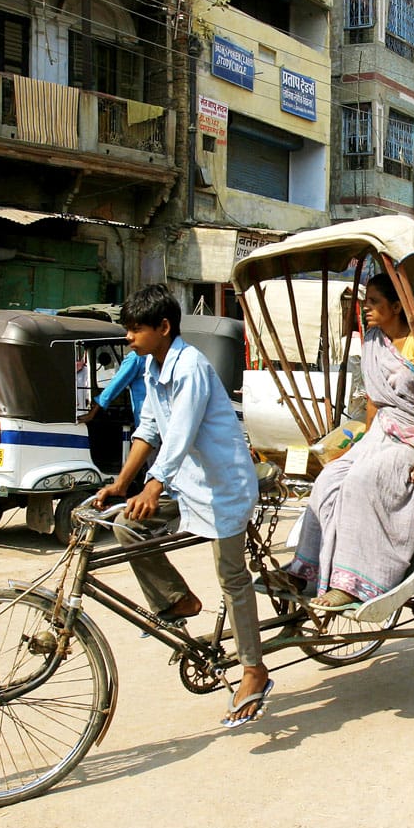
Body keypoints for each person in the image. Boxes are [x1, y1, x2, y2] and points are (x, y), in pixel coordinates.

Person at [94, 285, 270, 730]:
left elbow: (182, 434)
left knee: (232, 578)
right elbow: (149, 428)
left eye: (136, 329)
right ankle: (178, 601)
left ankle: (254, 671)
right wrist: (120, 484)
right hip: (185, 484)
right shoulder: (151, 367)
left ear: (164, 328)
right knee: (126, 527)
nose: (129, 338)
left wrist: (153, 485)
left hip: (223, 486)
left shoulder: (190, 365)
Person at [285, 272, 414, 610]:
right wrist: (364, 444)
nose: (366, 308)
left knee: (360, 481)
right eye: (366, 301)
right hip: (380, 433)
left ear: (397, 306)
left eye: (374, 302)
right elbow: (374, 399)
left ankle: (355, 582)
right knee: (328, 479)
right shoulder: (372, 340)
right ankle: (306, 570)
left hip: (411, 440)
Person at [81, 350, 147, 426]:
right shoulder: (155, 357)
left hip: (146, 420)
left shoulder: (136, 357)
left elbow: (116, 384)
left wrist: (93, 412)